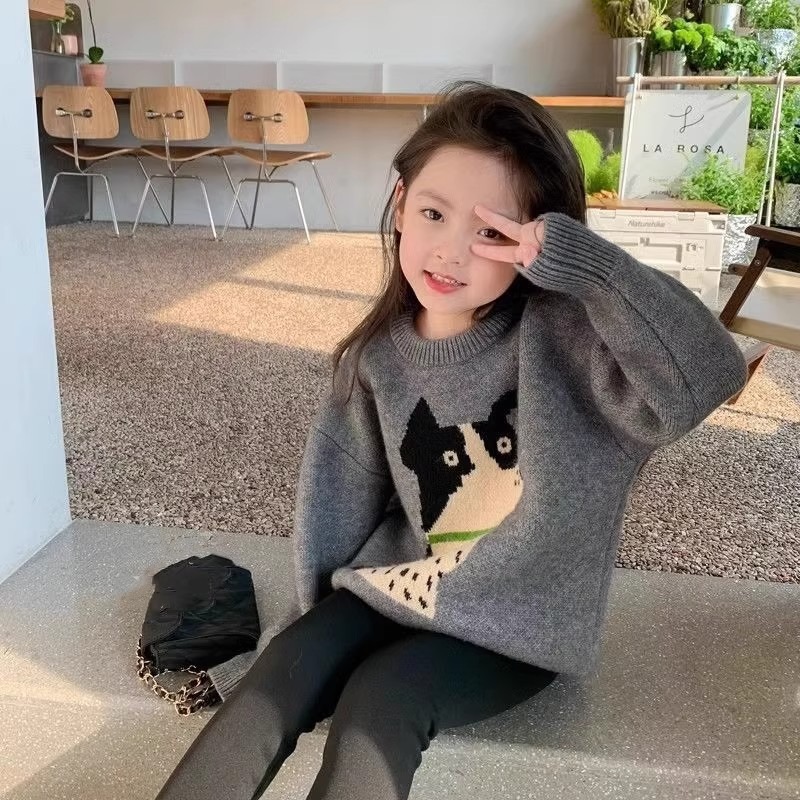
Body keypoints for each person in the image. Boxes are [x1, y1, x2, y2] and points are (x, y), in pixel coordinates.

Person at [155, 81, 747, 800]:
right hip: (402, 585)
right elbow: (337, 505)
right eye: (433, 214)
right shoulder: (375, 359)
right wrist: (319, 631)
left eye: (492, 233)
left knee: (384, 697)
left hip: (517, 620)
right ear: (401, 203)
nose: (451, 252)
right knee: (282, 668)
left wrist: (590, 269)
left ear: (536, 243)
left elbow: (708, 375)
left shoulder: (570, 344)